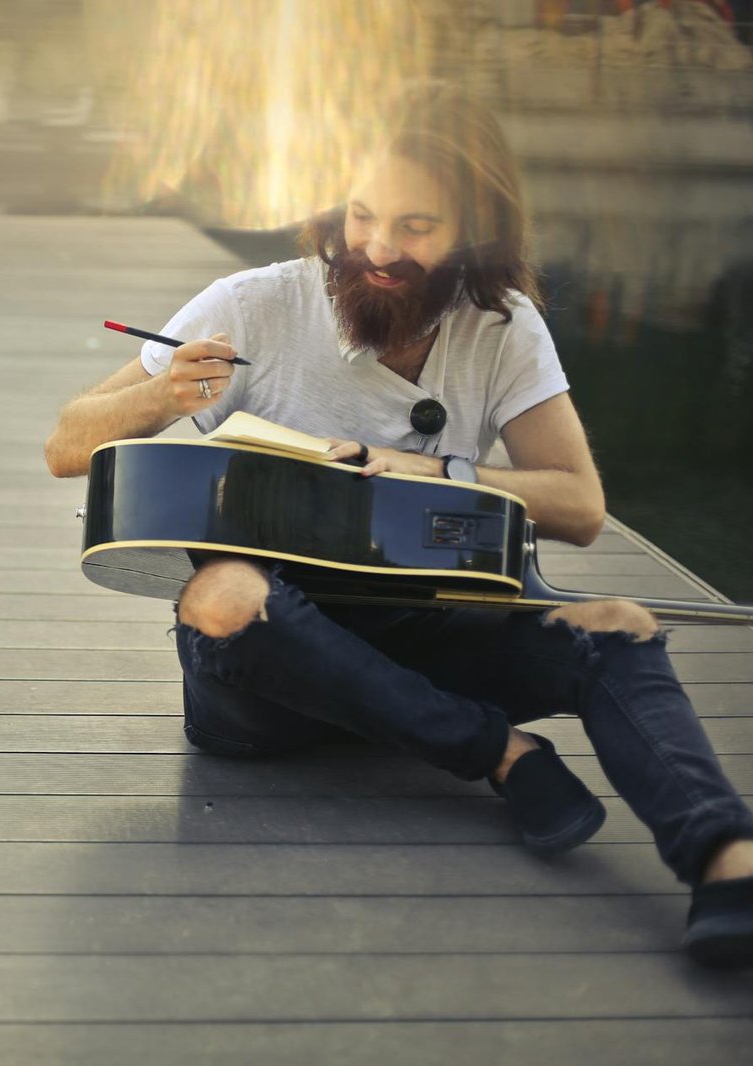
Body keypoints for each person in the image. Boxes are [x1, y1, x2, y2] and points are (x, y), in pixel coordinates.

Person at [44, 80, 753, 968]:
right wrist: (162, 394)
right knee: (222, 593)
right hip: (267, 680)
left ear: (476, 228)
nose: (377, 248)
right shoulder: (253, 303)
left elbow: (581, 506)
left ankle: (727, 860)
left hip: (426, 636)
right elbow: (66, 446)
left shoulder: (501, 329)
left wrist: (437, 469)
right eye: (361, 215)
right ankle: (496, 751)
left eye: (416, 226)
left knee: (619, 624)